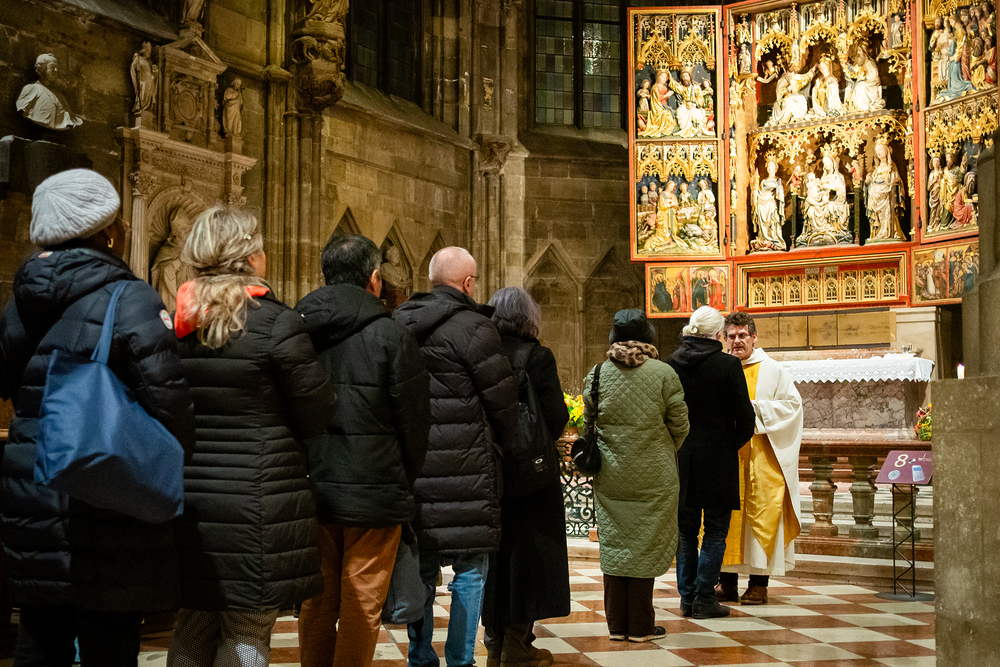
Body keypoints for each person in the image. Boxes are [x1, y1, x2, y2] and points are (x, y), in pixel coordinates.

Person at [0, 169, 195, 664]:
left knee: (39, 639)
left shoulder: (19, 301)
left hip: (33, 489)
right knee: (109, 645)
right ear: (108, 232)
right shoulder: (130, 298)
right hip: (107, 499)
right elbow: (169, 406)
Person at [167, 206, 335, 666]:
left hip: (189, 498)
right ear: (249, 257)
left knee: (193, 624)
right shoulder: (276, 322)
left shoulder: (175, 323)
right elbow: (317, 412)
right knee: (247, 631)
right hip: (258, 502)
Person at [294, 234, 430, 667]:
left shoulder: (295, 330)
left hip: (312, 486)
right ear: (374, 279)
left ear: (326, 276)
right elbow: (414, 424)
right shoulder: (392, 335)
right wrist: (401, 479)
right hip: (375, 490)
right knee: (362, 603)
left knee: (317, 600)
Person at [393, 247, 519, 667]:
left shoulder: (398, 324)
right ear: (467, 283)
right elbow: (503, 403)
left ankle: (420, 657)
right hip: (469, 471)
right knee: (470, 570)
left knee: (423, 570)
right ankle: (460, 660)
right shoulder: (475, 327)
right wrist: (505, 448)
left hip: (416, 469)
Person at [581, 309, 689, 642]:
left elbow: (588, 421)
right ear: (648, 337)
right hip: (655, 476)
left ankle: (616, 625)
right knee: (645, 544)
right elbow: (680, 424)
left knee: (614, 544)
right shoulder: (664, 373)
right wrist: (661, 448)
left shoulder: (598, 373)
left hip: (611, 474)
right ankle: (641, 626)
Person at [481, 287, 570, 667]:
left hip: (488, 471)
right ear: (529, 318)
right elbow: (556, 416)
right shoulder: (537, 356)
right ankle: (517, 645)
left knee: (494, 557)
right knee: (528, 558)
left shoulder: (481, 353)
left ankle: (494, 643)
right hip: (531, 477)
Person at [668, 307, 755, 619]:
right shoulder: (728, 364)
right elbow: (746, 419)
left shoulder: (671, 365)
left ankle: (687, 599)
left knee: (686, 532)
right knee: (716, 532)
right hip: (718, 460)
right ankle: (705, 599)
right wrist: (727, 446)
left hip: (681, 458)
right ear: (719, 334)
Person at [718, 312, 803, 606]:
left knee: (761, 519)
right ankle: (726, 582)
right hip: (728, 457)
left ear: (754, 337)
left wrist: (751, 409)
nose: (737, 341)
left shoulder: (773, 370)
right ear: (724, 339)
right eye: (731, 336)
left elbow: (792, 407)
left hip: (762, 457)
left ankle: (758, 584)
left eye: (742, 335)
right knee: (726, 519)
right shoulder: (721, 368)